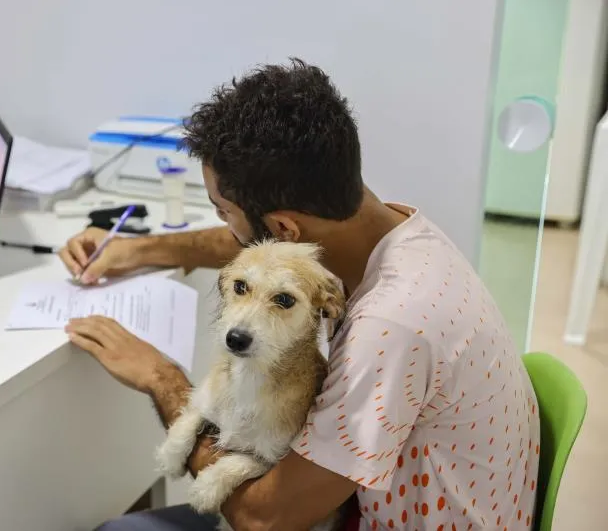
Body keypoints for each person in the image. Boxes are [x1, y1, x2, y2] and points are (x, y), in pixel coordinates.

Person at [60, 59, 540, 531]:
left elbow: (264, 519)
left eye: (223, 211)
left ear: (285, 229)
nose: (225, 224)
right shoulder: (395, 234)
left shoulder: (390, 327)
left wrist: (162, 380)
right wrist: (137, 250)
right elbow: (260, 251)